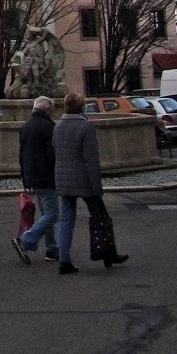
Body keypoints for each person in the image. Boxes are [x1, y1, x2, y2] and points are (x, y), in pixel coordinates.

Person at [52, 92, 128, 273]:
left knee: (66, 219)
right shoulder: (85, 127)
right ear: (82, 106)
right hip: (84, 179)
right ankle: (108, 253)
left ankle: (64, 260)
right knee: (99, 216)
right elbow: (91, 160)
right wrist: (96, 185)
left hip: (64, 179)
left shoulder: (58, 126)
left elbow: (55, 149)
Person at [12, 97, 60, 265]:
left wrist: (25, 177)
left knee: (47, 213)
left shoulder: (26, 127)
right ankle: (25, 240)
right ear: (47, 110)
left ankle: (52, 249)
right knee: (53, 214)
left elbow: (22, 156)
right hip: (46, 176)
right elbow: (52, 155)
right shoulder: (49, 127)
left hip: (33, 176)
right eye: (52, 109)